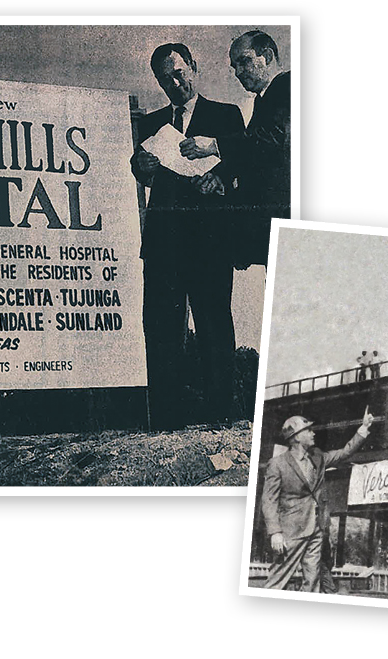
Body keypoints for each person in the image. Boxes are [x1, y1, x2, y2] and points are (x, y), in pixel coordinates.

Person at [130, 43, 246, 429]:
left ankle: (220, 415)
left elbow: (242, 161)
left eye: (179, 74)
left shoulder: (225, 115)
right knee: (162, 326)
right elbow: (140, 170)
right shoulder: (151, 124)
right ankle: (167, 419)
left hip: (210, 240)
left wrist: (220, 177)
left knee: (214, 323)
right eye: (166, 80)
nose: (175, 84)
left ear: (193, 67)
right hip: (163, 242)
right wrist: (141, 165)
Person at [180, 30, 290, 268]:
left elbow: (273, 138)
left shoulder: (289, 86)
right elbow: (256, 153)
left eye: (244, 61)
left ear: (267, 56)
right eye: (234, 66)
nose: (238, 72)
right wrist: (220, 176)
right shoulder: (264, 98)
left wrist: (214, 145)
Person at [261, 407, 377, 592]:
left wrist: (363, 428)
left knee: (312, 580)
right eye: (308, 430)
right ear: (296, 437)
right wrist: (275, 532)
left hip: (316, 528)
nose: (313, 433)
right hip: (291, 531)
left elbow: (344, 453)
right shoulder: (278, 464)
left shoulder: (318, 457)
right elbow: (269, 500)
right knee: (278, 579)